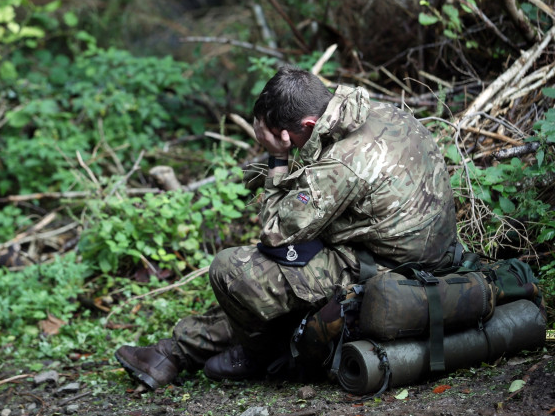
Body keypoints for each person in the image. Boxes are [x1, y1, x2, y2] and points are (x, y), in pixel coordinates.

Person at [115, 66, 457, 389]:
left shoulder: (340, 162)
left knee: (231, 269)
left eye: (288, 138)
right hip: (422, 249)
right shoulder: (384, 113)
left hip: (389, 269)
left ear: (308, 122)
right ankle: (170, 354)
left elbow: (275, 231)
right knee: (270, 275)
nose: (289, 145)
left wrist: (277, 158)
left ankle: (251, 356)